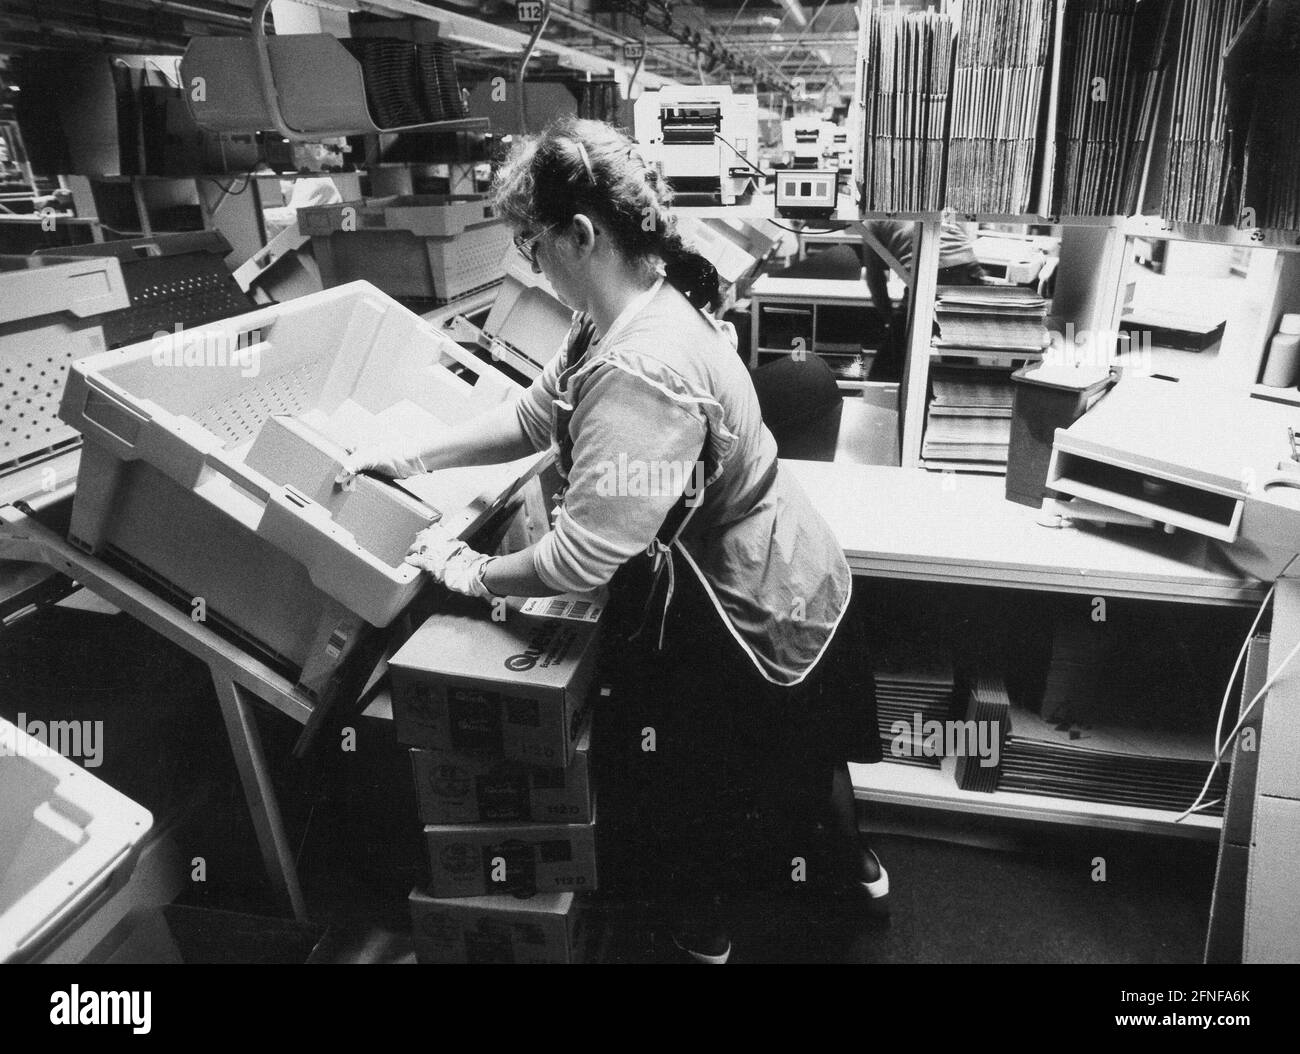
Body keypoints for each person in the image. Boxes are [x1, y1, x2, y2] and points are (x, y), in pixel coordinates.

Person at [341, 116, 885, 964]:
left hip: (752, 593)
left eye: (532, 243)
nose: (529, 261)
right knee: (807, 750)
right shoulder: (619, 311)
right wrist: (412, 450)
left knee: (703, 779)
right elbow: (534, 415)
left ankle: (704, 934)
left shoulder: (642, 367)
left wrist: (473, 570)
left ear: (582, 234)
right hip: (786, 551)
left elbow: (582, 557)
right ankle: (855, 873)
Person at [861, 217, 986, 381]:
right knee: (957, 350)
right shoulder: (924, 201)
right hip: (970, 271)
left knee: (884, 368)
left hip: (932, 273)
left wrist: (890, 320)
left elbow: (875, 280)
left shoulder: (871, 222)